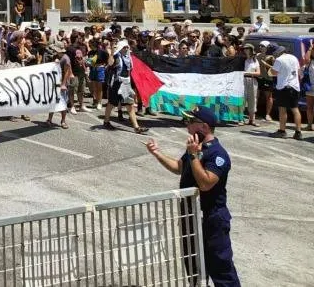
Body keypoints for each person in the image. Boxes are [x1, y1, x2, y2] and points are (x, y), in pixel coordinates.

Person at [146, 106, 240, 286]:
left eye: (190, 121)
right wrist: (157, 153)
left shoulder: (217, 154)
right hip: (190, 217)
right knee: (194, 267)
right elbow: (178, 167)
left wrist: (194, 156)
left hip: (211, 220)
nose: (186, 124)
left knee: (221, 269)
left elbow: (206, 183)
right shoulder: (196, 148)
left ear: (204, 127)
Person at [103, 41, 147, 134]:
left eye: (127, 47)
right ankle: (106, 121)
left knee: (130, 104)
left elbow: (130, 70)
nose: (126, 49)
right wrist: (112, 52)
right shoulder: (116, 56)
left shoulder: (128, 57)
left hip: (126, 82)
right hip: (116, 83)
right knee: (111, 103)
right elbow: (110, 63)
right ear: (120, 48)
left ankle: (136, 127)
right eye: (124, 47)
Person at [269, 46, 303, 140]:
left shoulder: (279, 60)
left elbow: (273, 73)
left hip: (284, 87)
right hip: (295, 86)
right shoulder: (294, 58)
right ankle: (298, 132)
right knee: (295, 109)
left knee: (282, 109)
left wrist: (272, 65)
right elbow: (298, 71)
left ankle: (282, 131)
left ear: (277, 53)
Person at [241, 43, 260, 126]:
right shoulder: (242, 59)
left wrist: (247, 73)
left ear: (251, 50)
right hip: (242, 80)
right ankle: (241, 119)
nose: (245, 50)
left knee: (253, 99)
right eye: (245, 48)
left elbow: (258, 73)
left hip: (252, 80)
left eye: (247, 48)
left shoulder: (255, 60)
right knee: (242, 99)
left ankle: (252, 119)